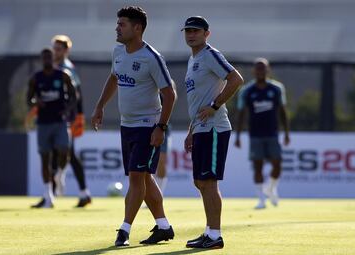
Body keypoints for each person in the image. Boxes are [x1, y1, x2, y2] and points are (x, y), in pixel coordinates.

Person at [91, 6, 176, 247]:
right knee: (145, 179)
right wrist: (100, 106)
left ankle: (124, 230)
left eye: (122, 24)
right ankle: (164, 226)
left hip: (148, 126)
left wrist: (161, 127)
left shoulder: (151, 57)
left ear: (137, 28)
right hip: (126, 125)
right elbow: (115, 77)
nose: (117, 28)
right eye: (118, 24)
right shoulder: (118, 51)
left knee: (137, 177)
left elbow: (170, 95)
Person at [182, 16, 244, 249]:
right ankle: (209, 232)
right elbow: (198, 101)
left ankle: (215, 235)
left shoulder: (210, 54)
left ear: (207, 33)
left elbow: (236, 79)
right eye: (188, 30)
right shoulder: (193, 59)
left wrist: (216, 105)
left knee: (208, 181)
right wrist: (191, 131)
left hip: (215, 127)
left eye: (196, 30)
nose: (191, 34)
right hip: (201, 128)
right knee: (200, 181)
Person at [235, 58, 290, 209]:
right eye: (258, 69)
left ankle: (270, 188)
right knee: (257, 166)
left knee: (277, 164)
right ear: (254, 71)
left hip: (273, 133)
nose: (260, 71)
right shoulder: (247, 91)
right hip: (255, 134)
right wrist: (238, 136)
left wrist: (286, 133)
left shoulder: (277, 89)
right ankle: (261, 199)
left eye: (263, 68)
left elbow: (283, 111)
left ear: (268, 70)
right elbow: (241, 113)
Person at [27, 48, 76, 208]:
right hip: (43, 123)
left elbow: (74, 96)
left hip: (60, 120)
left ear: (53, 59)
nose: (47, 59)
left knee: (64, 149)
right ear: (42, 60)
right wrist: (36, 103)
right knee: (45, 158)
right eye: (45, 57)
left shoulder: (63, 75)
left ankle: (60, 174)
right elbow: (29, 99)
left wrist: (67, 109)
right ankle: (48, 195)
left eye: (50, 57)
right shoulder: (36, 78)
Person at [51, 35, 91, 207]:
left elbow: (77, 94)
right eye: (54, 48)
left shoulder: (67, 68)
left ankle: (81, 192)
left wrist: (79, 116)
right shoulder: (53, 67)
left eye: (59, 49)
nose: (55, 52)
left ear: (66, 51)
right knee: (61, 153)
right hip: (56, 118)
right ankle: (53, 193)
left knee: (68, 153)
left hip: (68, 119)